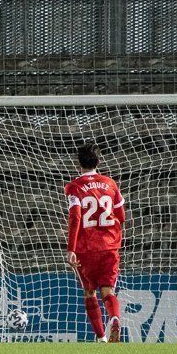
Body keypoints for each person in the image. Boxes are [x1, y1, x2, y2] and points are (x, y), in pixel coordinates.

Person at [64, 143, 125, 343]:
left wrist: (71, 249)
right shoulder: (110, 184)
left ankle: (101, 337)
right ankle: (114, 317)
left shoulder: (74, 187)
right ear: (98, 162)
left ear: (78, 164)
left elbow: (75, 218)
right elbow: (121, 216)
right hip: (109, 246)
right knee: (108, 290)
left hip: (85, 249)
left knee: (89, 292)